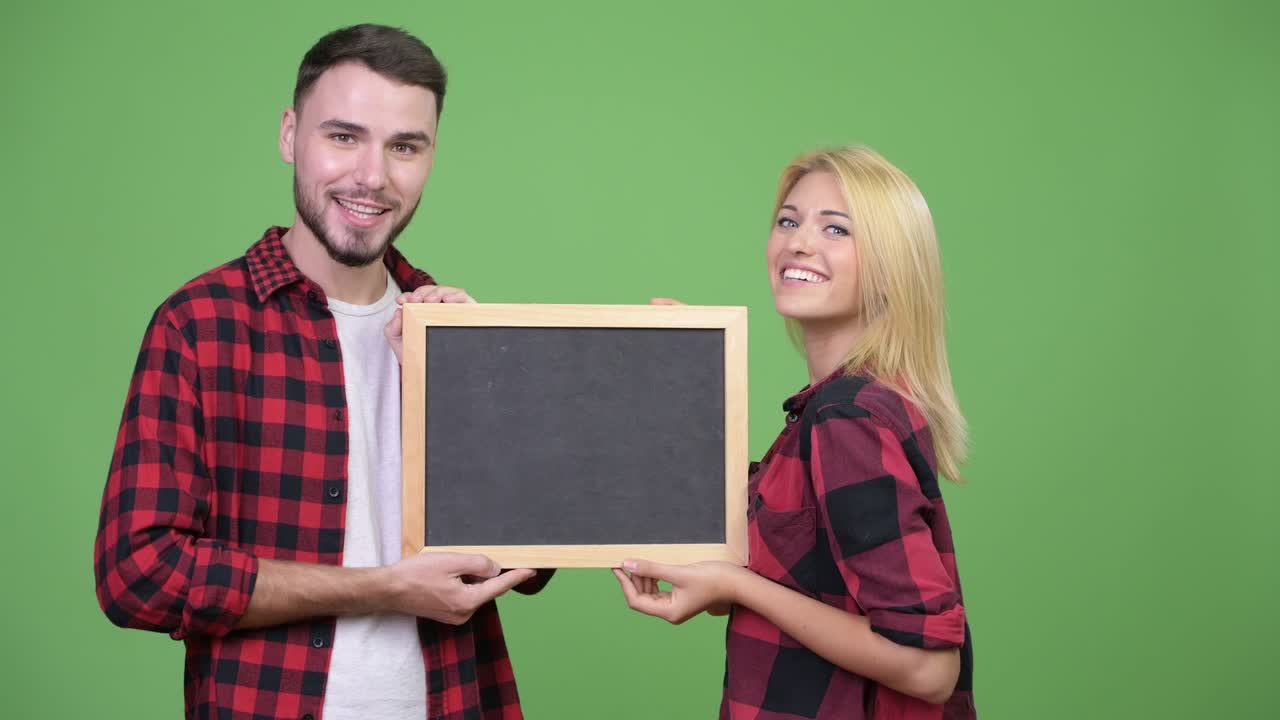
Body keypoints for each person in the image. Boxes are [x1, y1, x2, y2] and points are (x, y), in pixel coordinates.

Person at [94, 24, 548, 720]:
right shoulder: (200, 325)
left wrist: (472, 391)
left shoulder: (449, 330)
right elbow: (138, 575)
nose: (373, 175)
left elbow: (536, 560)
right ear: (288, 135)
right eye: (344, 136)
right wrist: (382, 588)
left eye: (405, 146)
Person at [616, 146, 976, 718]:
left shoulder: (849, 416)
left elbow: (928, 668)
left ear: (892, 264)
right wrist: (689, 382)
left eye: (836, 229)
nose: (799, 242)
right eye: (789, 220)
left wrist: (736, 588)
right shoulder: (828, 412)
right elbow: (787, 572)